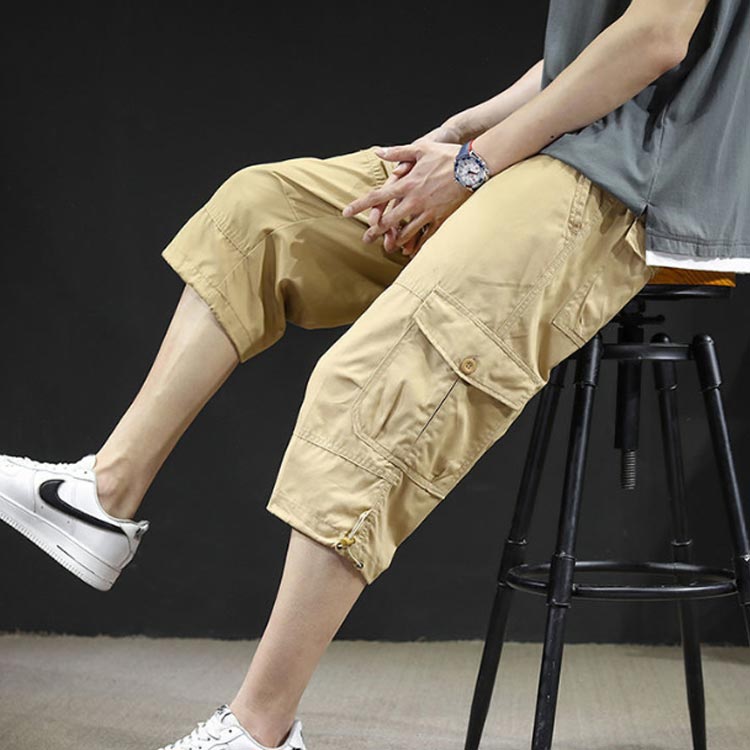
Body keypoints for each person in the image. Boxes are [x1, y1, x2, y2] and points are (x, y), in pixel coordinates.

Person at [1, 1, 747, 748]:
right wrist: (467, 130)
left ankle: (260, 728)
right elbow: (591, 46)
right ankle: (104, 494)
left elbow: (654, 39)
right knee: (261, 214)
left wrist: (475, 165)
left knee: (381, 378)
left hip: (634, 185)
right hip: (553, 145)